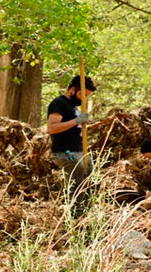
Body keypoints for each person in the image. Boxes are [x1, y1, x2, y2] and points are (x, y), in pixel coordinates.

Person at [47, 76, 96, 207]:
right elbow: (52, 128)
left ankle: (88, 214)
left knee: (90, 180)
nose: (84, 98)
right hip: (66, 152)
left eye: (87, 96)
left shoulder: (72, 106)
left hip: (79, 151)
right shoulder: (59, 103)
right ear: (73, 90)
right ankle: (75, 216)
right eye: (82, 94)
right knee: (77, 186)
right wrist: (76, 121)